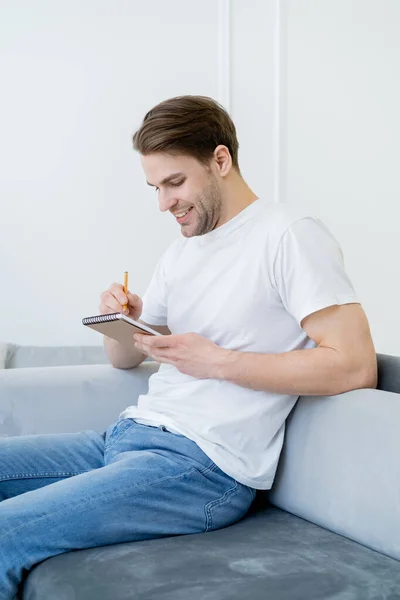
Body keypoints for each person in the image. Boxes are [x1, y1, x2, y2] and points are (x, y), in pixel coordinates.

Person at [0, 95, 377, 598]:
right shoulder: (183, 251)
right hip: (126, 438)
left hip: (199, 468)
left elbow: (355, 366)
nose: (164, 203)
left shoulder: (288, 235)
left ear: (220, 160)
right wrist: (122, 321)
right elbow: (125, 357)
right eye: (155, 187)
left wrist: (218, 362)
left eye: (174, 183)